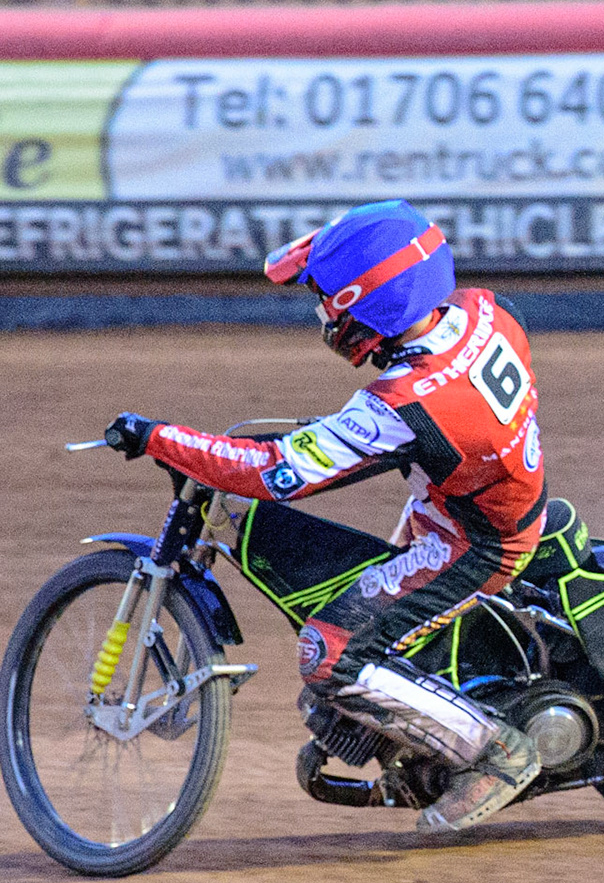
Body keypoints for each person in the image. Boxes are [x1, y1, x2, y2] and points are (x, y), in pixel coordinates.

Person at [101, 199, 547, 834]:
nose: (324, 314)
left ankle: (498, 752)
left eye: (330, 301)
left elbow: (272, 472)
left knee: (328, 655)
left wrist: (157, 437)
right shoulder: (483, 311)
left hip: (473, 544)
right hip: (474, 497)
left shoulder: (404, 403)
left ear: (374, 303)